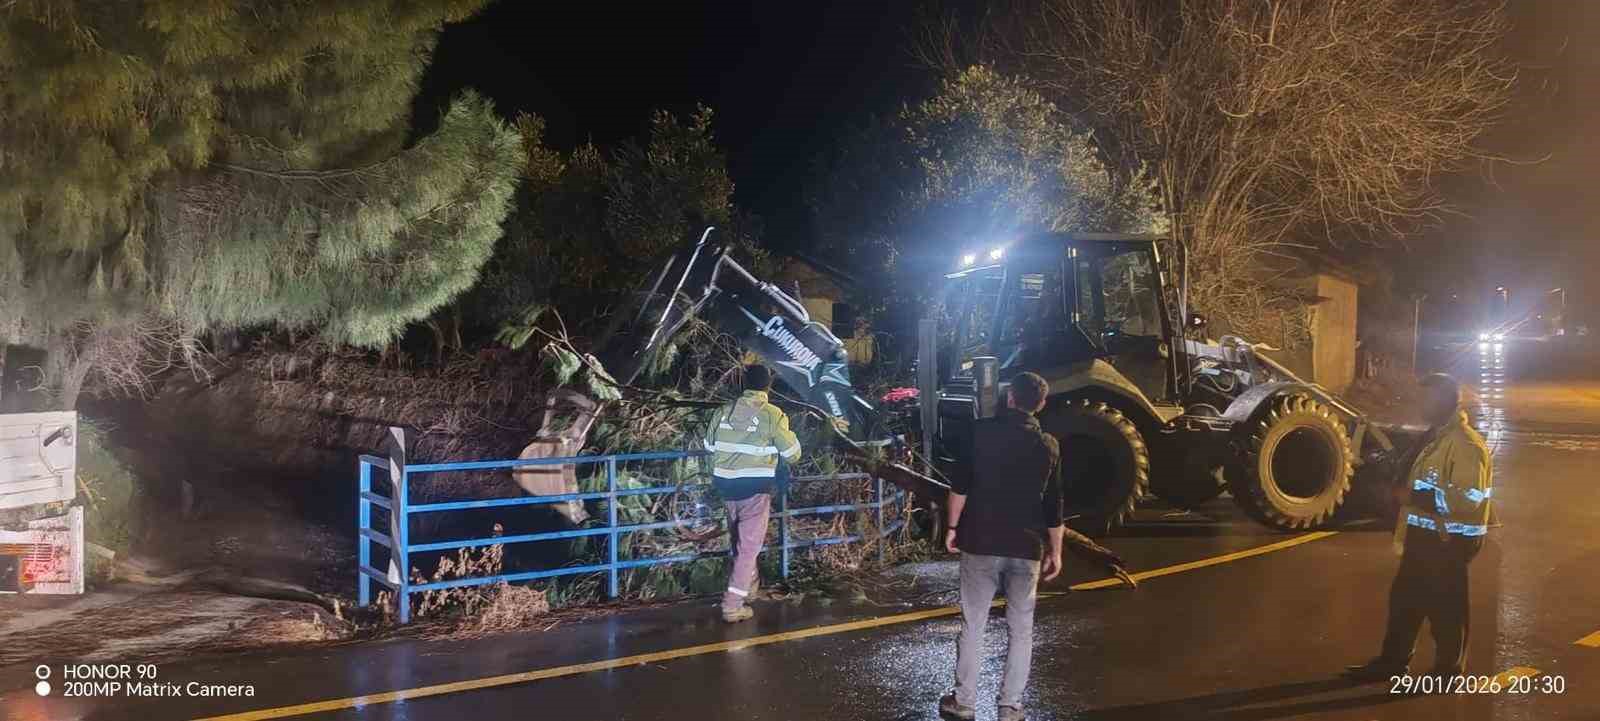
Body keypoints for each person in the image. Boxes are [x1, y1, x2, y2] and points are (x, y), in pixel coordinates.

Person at [1345, 372, 1493, 682]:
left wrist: (1415, 496)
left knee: (1445, 606)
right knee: (1405, 600)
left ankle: (1449, 671)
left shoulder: (1465, 444)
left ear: (1444, 401)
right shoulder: (1434, 436)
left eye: (1426, 398)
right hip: (1424, 533)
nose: (1419, 403)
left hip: (1449, 538)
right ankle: (1393, 662)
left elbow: (1469, 498)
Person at [940, 371, 1064, 721]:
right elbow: (1054, 506)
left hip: (980, 541)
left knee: (973, 624)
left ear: (1009, 397)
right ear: (1040, 405)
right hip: (1027, 549)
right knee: (1021, 630)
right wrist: (1056, 551)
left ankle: (963, 703)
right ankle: (1010, 707)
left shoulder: (979, 432)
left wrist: (952, 527)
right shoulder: (1048, 445)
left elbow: (959, 486)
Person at [704, 364, 801, 623]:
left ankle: (749, 589)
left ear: (743, 385)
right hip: (755, 491)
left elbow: (708, 445)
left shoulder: (723, 412)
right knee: (748, 549)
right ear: (767, 386)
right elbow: (793, 454)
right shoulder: (772, 414)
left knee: (740, 544)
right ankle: (732, 606)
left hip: (726, 487)